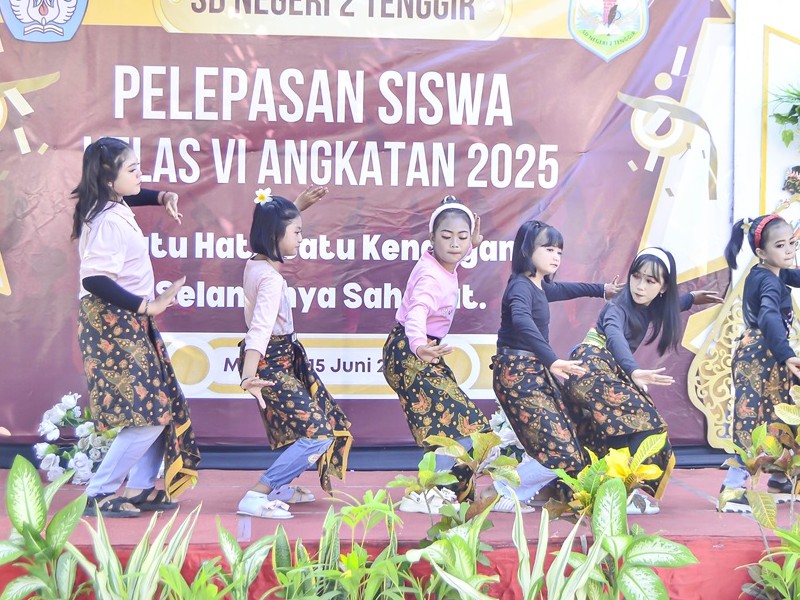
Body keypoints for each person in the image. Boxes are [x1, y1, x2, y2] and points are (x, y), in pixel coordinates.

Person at [384, 200, 558, 514]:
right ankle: (432, 492)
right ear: (431, 237)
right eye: (446, 236)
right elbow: (416, 312)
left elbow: (456, 253)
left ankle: (440, 492)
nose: (455, 244)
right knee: (464, 428)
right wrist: (419, 345)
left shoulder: (441, 263)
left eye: (462, 237)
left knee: (452, 430)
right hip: (411, 352)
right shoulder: (429, 276)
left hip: (422, 352)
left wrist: (472, 246)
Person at [72, 137, 199, 518]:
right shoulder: (108, 221)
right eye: (132, 169)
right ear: (110, 180)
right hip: (112, 323)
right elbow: (95, 279)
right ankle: (99, 492)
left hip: (127, 320)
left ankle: (141, 487)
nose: (140, 174)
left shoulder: (112, 203)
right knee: (149, 413)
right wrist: (149, 305)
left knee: (160, 406)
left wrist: (161, 196)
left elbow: (134, 193)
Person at [563, 247, 722, 514]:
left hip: (597, 372)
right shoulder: (617, 307)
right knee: (648, 424)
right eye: (636, 277)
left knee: (619, 430)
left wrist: (692, 298)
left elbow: (667, 305)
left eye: (650, 281)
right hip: (591, 369)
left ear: (662, 288)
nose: (639, 286)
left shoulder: (648, 305)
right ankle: (628, 492)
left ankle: (612, 492)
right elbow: (614, 336)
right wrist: (633, 371)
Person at [237, 188, 352, 520]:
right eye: (297, 232)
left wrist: (295, 207)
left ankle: (278, 487)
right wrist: (249, 376)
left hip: (279, 359)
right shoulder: (270, 280)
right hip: (269, 363)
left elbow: (272, 228)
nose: (301, 238)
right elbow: (259, 329)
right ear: (276, 234)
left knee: (305, 427)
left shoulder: (256, 263)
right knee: (319, 434)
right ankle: (258, 494)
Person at [491, 220, 621, 504]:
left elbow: (565, 289)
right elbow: (522, 321)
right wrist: (551, 359)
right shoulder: (520, 287)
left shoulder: (538, 286)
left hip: (533, 373)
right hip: (518, 375)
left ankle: (524, 492)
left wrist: (602, 290)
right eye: (548, 249)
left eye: (559, 252)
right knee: (562, 452)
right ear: (527, 250)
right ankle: (502, 491)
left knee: (577, 435)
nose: (556, 257)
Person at [718, 214, 800, 513]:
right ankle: (732, 487)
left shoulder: (769, 271)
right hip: (760, 356)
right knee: (750, 419)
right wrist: (786, 353)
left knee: (782, 414)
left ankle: (780, 477)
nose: (789, 250)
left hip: (766, 354)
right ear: (761, 252)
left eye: (792, 243)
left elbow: (794, 275)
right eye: (780, 245)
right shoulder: (768, 281)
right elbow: (768, 315)